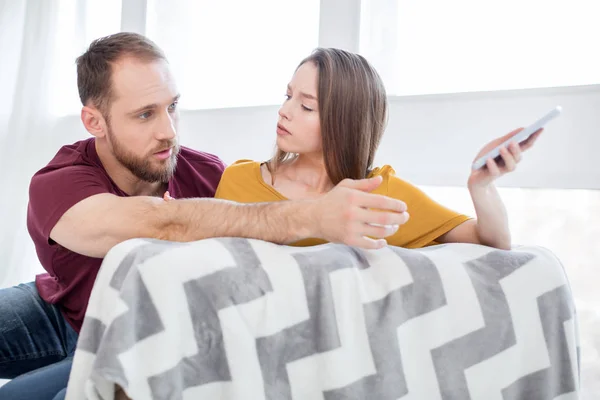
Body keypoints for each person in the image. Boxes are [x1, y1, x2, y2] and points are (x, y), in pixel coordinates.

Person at [0, 34, 408, 399]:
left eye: (172, 107)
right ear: (94, 121)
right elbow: (160, 223)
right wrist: (309, 216)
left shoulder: (212, 176)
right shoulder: (60, 182)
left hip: (139, 336)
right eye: (145, 114)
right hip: (63, 311)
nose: (169, 131)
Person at [213, 48, 542, 249]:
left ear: (344, 121)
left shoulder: (384, 198)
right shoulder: (238, 181)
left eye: (307, 106)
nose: (284, 111)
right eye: (288, 96)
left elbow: (494, 242)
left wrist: (481, 185)